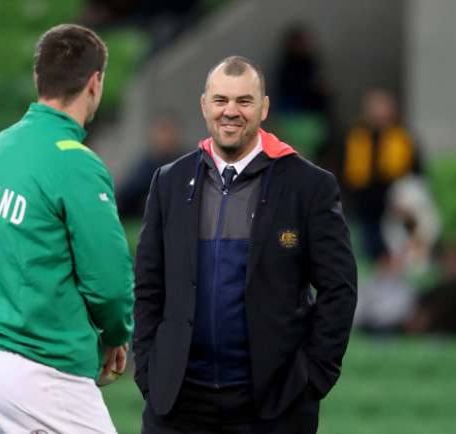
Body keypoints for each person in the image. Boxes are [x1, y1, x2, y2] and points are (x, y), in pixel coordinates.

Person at [133, 56, 357, 433]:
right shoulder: (169, 181)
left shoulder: (309, 185)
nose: (230, 112)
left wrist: (313, 377)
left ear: (264, 108)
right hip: (178, 404)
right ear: (205, 106)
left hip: (273, 406)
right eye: (220, 100)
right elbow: (147, 285)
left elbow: (340, 288)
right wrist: (149, 372)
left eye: (244, 101)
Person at [0, 24, 134, 433]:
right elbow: (109, 282)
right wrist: (115, 334)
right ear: (95, 82)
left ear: (37, 78)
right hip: (37, 370)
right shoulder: (75, 161)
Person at [341, 88, 420, 260]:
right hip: (363, 207)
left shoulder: (403, 138)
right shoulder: (354, 136)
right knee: (365, 253)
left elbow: (416, 174)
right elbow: (343, 172)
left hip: (395, 208)